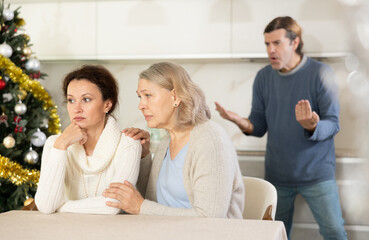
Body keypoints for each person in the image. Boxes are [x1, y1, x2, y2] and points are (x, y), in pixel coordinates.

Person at [215, 16, 347, 239]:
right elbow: (258, 126)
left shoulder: (320, 74)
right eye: (267, 44)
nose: (270, 50)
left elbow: (333, 124)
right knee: (273, 234)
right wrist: (240, 122)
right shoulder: (263, 78)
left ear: (294, 43)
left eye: (277, 43)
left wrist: (313, 126)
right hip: (278, 176)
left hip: (317, 174)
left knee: (334, 231)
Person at [102, 62, 245, 218]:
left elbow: (210, 217)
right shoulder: (167, 141)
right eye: (140, 97)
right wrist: (144, 155)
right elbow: (152, 199)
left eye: (148, 95)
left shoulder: (211, 139)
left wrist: (141, 207)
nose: (141, 105)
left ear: (175, 97)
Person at [35, 65, 141, 214]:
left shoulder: (129, 144)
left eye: (86, 99)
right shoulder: (56, 144)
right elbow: (46, 206)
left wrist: (61, 207)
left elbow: (114, 205)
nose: (76, 108)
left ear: (107, 104)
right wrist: (61, 145)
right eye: (71, 100)